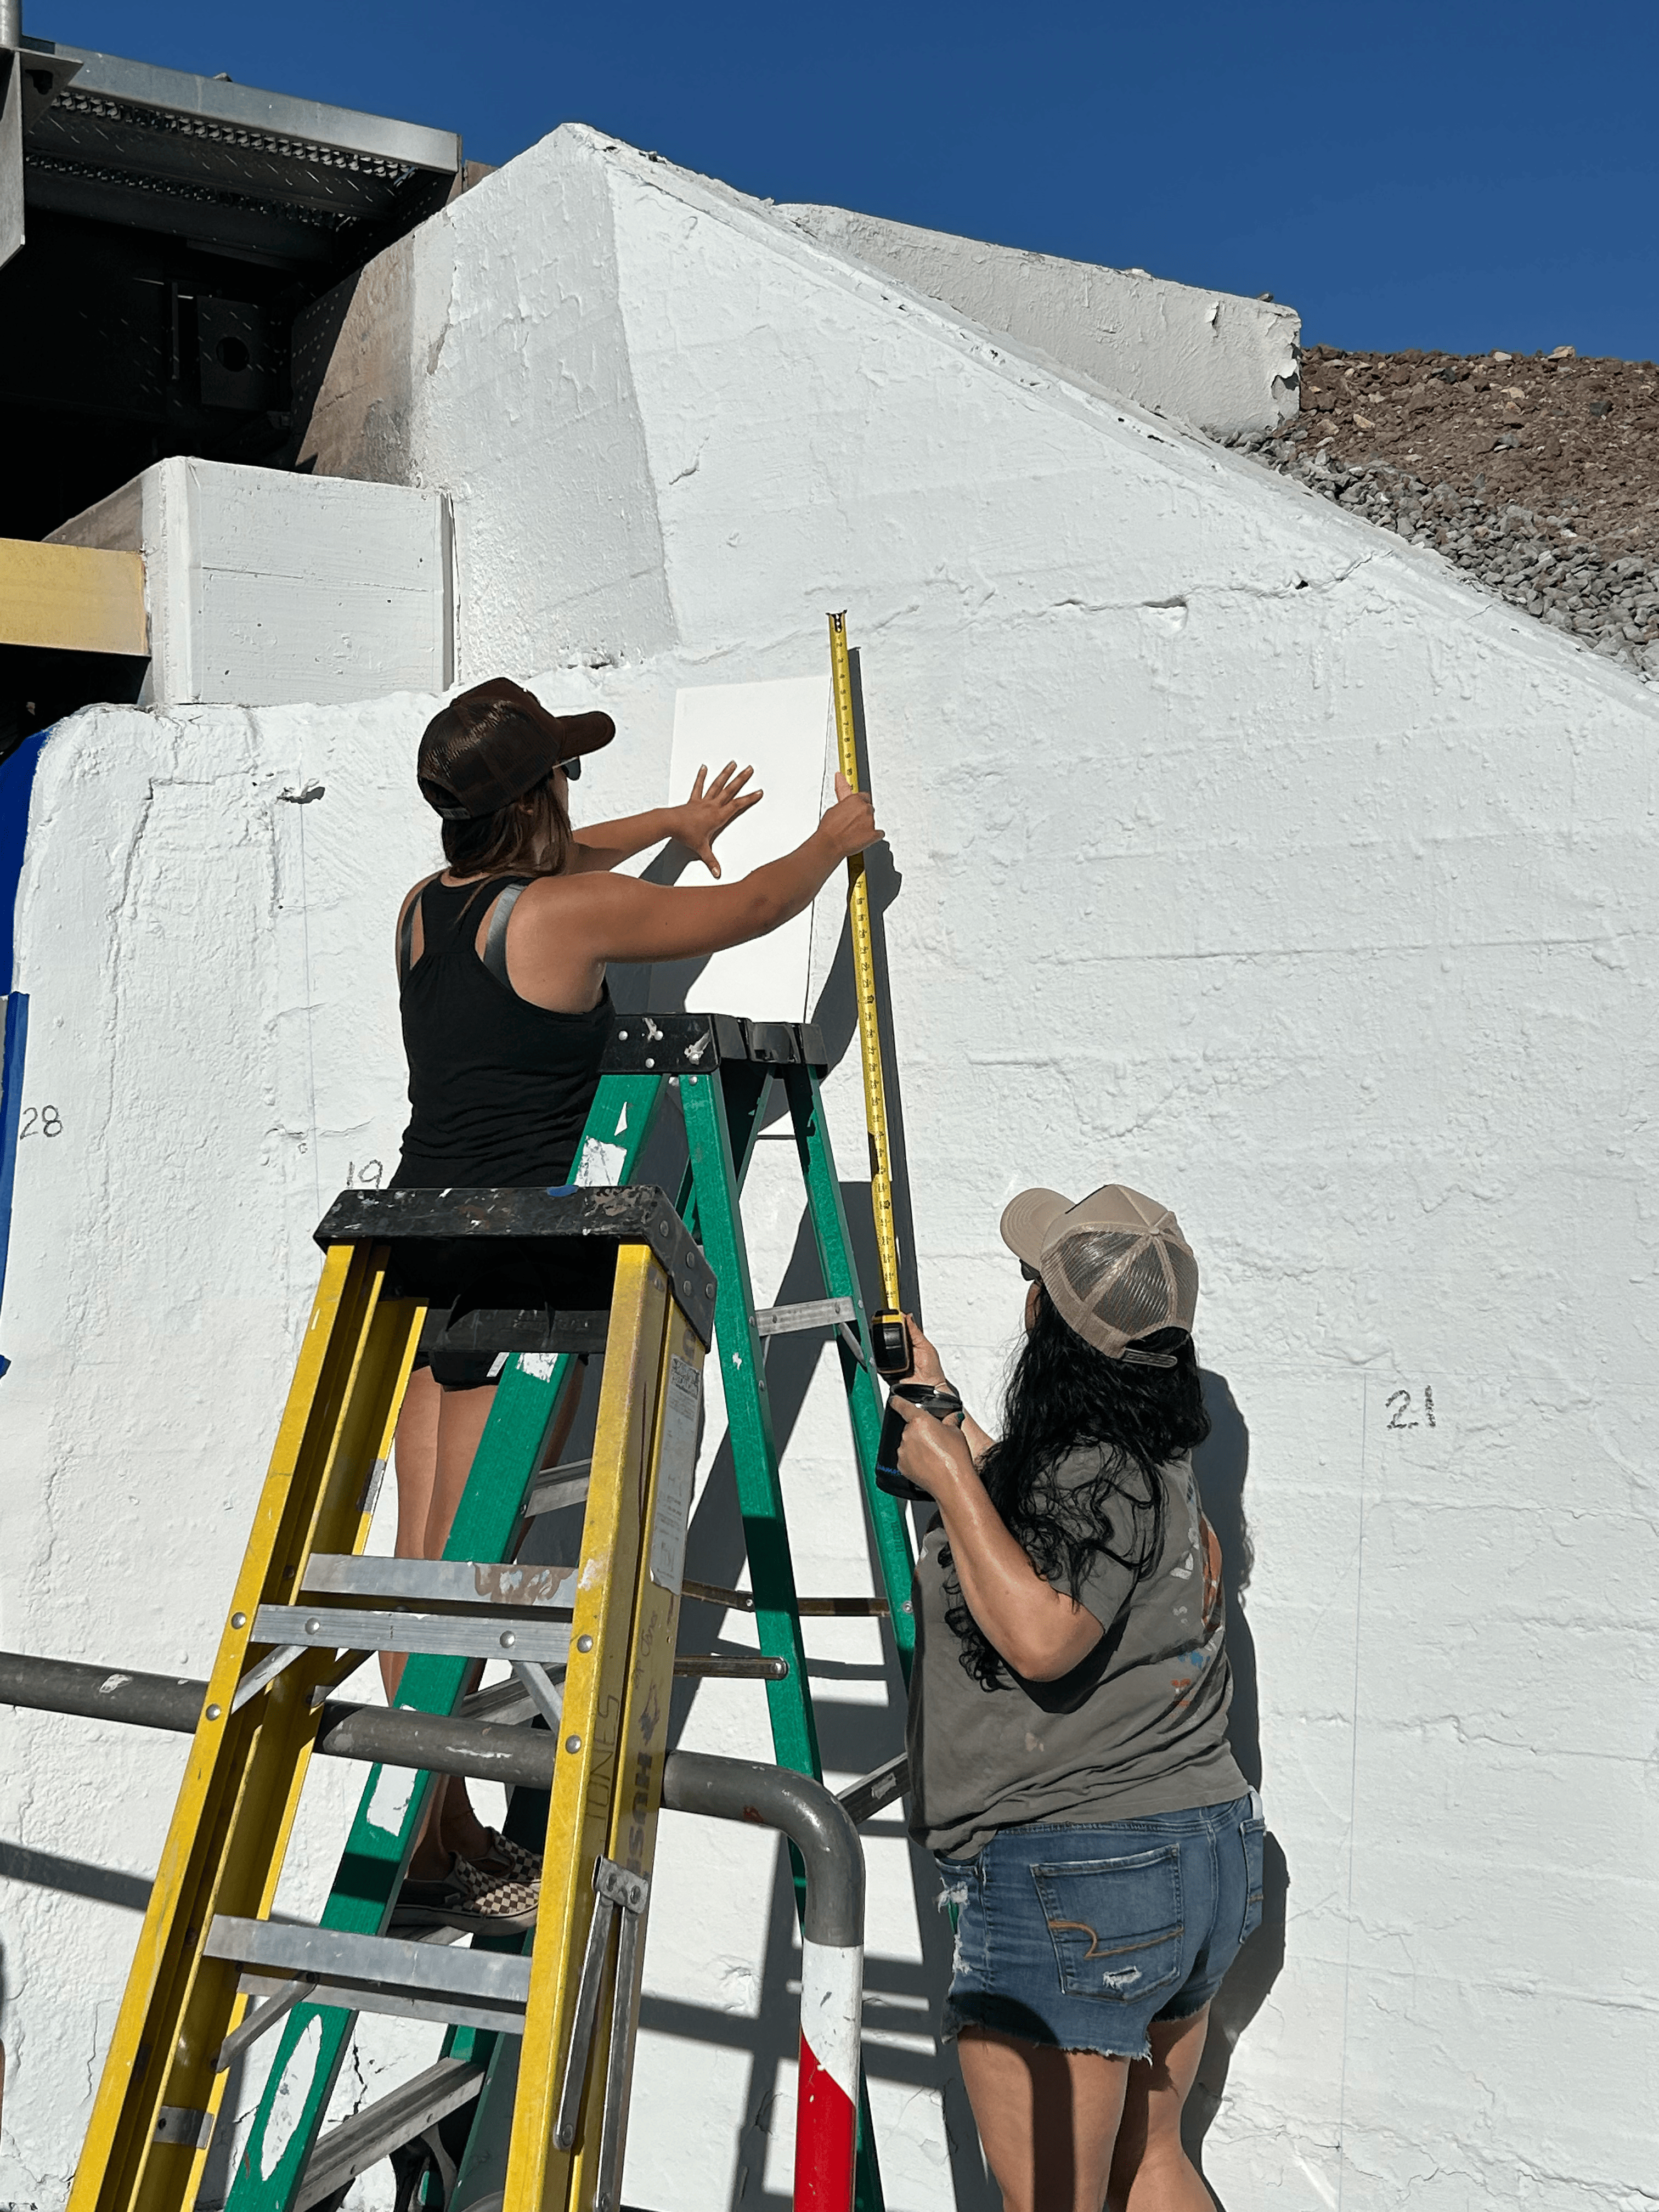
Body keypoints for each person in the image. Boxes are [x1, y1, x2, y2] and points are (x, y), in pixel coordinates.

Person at [385, 676, 883, 1932]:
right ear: (540, 796)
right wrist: (833, 839)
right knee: (465, 1562)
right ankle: (441, 1839)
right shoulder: (569, 913)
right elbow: (754, 908)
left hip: (420, 1248)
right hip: (516, 1263)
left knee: (422, 1558)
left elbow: (551, 860)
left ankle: (432, 1837)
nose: (575, 796)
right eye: (566, 776)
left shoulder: (427, 910)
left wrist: (668, 813)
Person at [890, 1183, 1263, 2212]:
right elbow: (1060, 1535)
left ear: (1048, 1319)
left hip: (1084, 1878)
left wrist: (951, 1483)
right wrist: (952, 1424)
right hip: (1202, 1853)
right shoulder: (1159, 1470)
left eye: (1029, 1282)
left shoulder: (1093, 1472)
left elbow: (1047, 1635)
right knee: (1151, 2164)